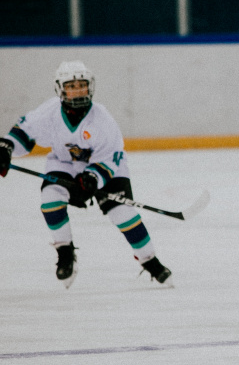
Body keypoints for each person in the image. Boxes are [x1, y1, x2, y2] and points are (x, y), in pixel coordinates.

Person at [0, 61, 172, 288]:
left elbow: (109, 157)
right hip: (65, 163)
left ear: (90, 87)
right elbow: (24, 132)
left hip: (107, 168)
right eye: (71, 86)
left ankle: (150, 260)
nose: (78, 90)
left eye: (82, 85)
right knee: (50, 199)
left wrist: (93, 178)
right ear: (61, 89)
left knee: (122, 213)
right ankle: (65, 252)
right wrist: (7, 148)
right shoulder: (50, 111)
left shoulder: (102, 119)